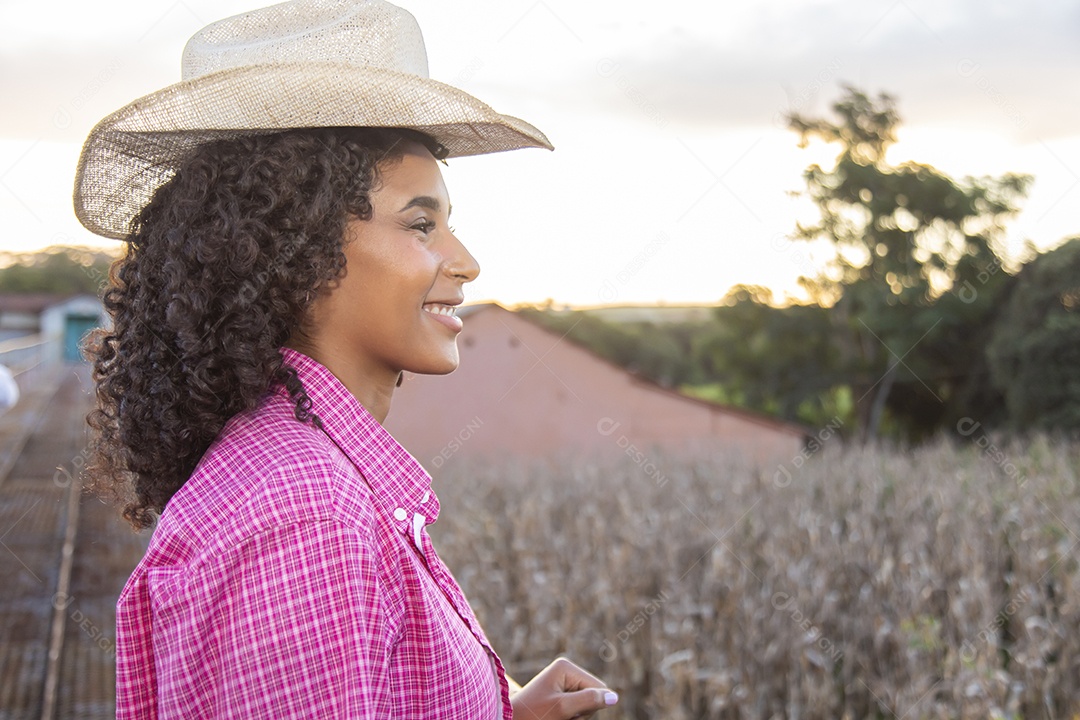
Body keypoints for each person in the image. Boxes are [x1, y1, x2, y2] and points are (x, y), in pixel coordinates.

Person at [75, 1, 617, 718]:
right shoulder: (306, 518)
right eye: (421, 224)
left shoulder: (302, 474)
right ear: (296, 255)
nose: (466, 262)